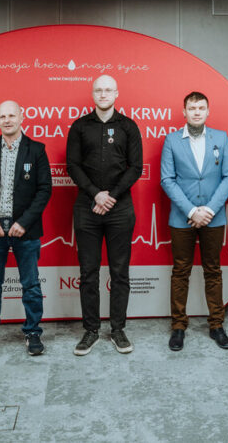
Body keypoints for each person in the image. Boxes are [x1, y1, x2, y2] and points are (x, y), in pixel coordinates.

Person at [0, 100, 52, 359]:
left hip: (25, 231)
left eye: (11, 115)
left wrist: (23, 222)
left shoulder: (36, 150)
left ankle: (33, 331)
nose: (7, 120)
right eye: (2, 116)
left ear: (21, 117)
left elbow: (44, 190)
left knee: (31, 285)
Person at [66, 74, 143, 355]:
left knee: (120, 271)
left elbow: (136, 167)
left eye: (108, 90)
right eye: (98, 90)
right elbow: (73, 166)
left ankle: (118, 329)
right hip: (87, 208)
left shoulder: (128, 127)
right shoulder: (79, 126)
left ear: (116, 93)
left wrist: (110, 196)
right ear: (93, 94)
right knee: (88, 272)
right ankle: (91, 330)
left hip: (119, 208)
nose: (103, 94)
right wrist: (95, 194)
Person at [160, 92, 228, 351]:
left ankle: (217, 325)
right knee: (180, 271)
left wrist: (209, 210)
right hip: (182, 218)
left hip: (214, 217)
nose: (196, 112)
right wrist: (192, 211)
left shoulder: (221, 138)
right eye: (192, 108)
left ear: (207, 111)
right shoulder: (171, 140)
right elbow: (167, 179)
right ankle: (178, 326)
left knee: (213, 270)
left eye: (201, 108)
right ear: (184, 111)